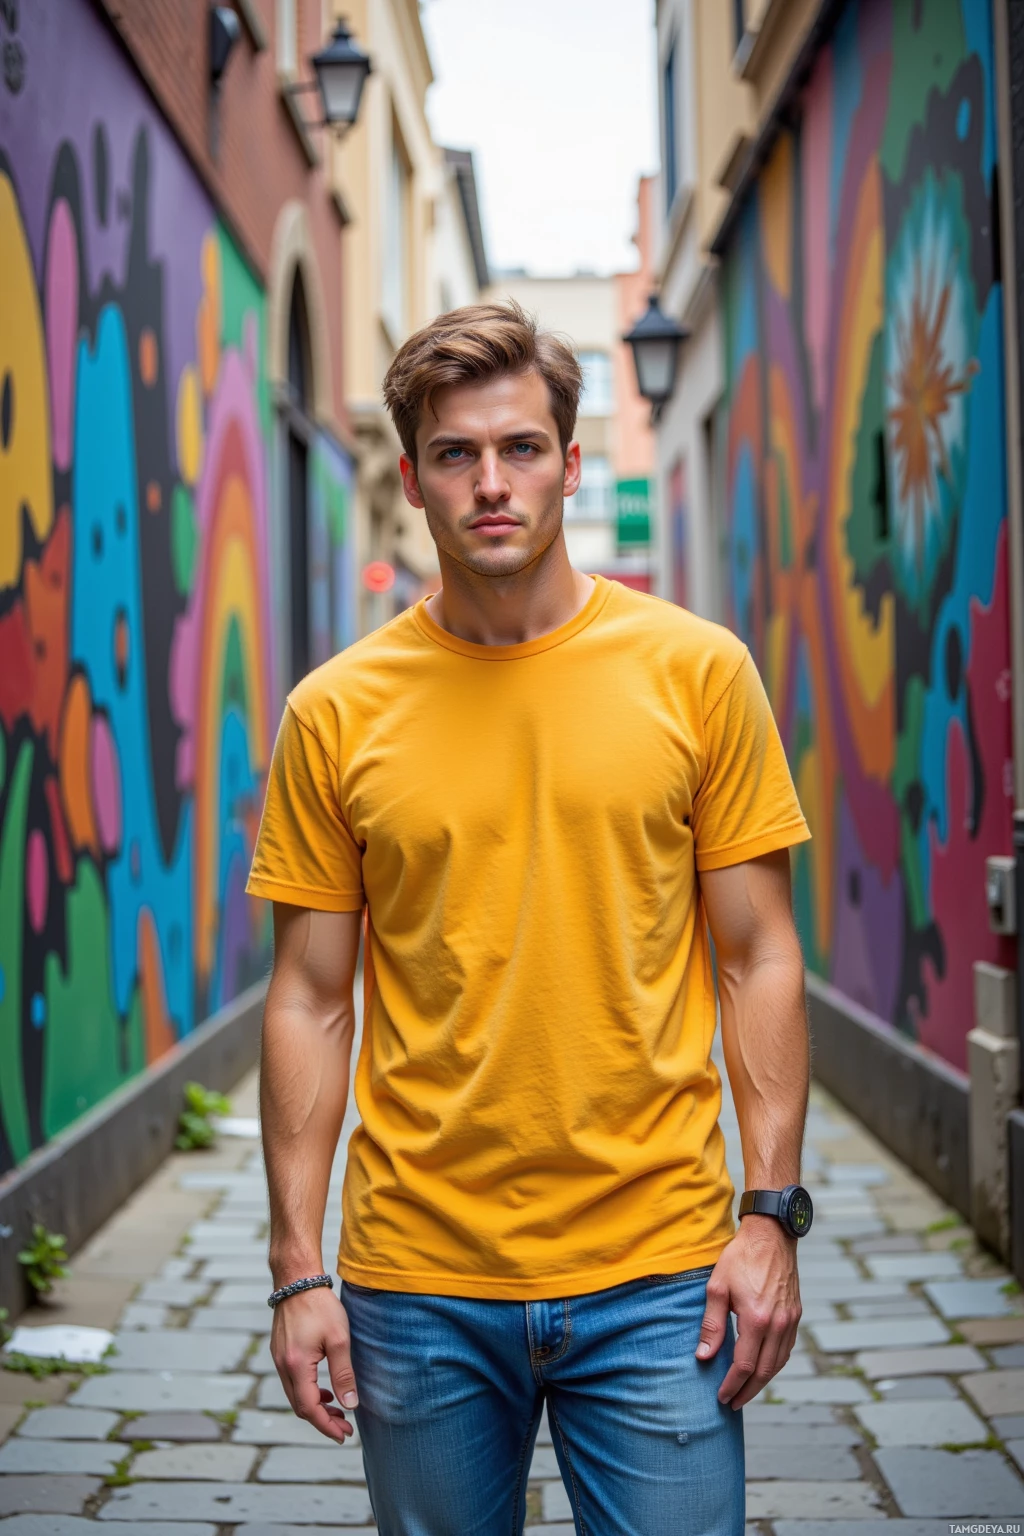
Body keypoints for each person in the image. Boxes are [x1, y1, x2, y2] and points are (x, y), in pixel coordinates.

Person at [247, 301, 812, 1536]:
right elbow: (309, 997)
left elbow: (759, 955)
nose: (490, 483)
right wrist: (297, 1269)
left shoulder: (697, 672)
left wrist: (770, 1216)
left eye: (520, 448)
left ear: (569, 462)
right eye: (455, 454)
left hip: (659, 1272)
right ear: (411, 479)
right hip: (417, 1280)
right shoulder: (336, 713)